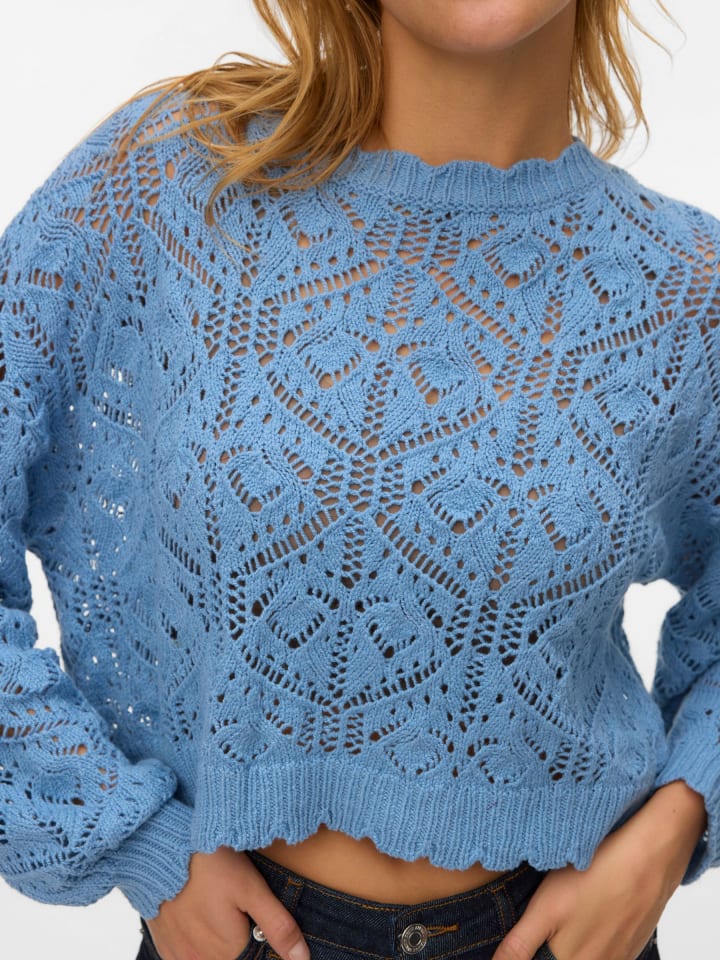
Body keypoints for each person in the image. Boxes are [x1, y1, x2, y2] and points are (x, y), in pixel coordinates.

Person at [0, 1, 716, 959]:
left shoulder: (681, 290)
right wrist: (131, 838)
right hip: (243, 934)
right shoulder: (175, 183)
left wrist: (681, 817)